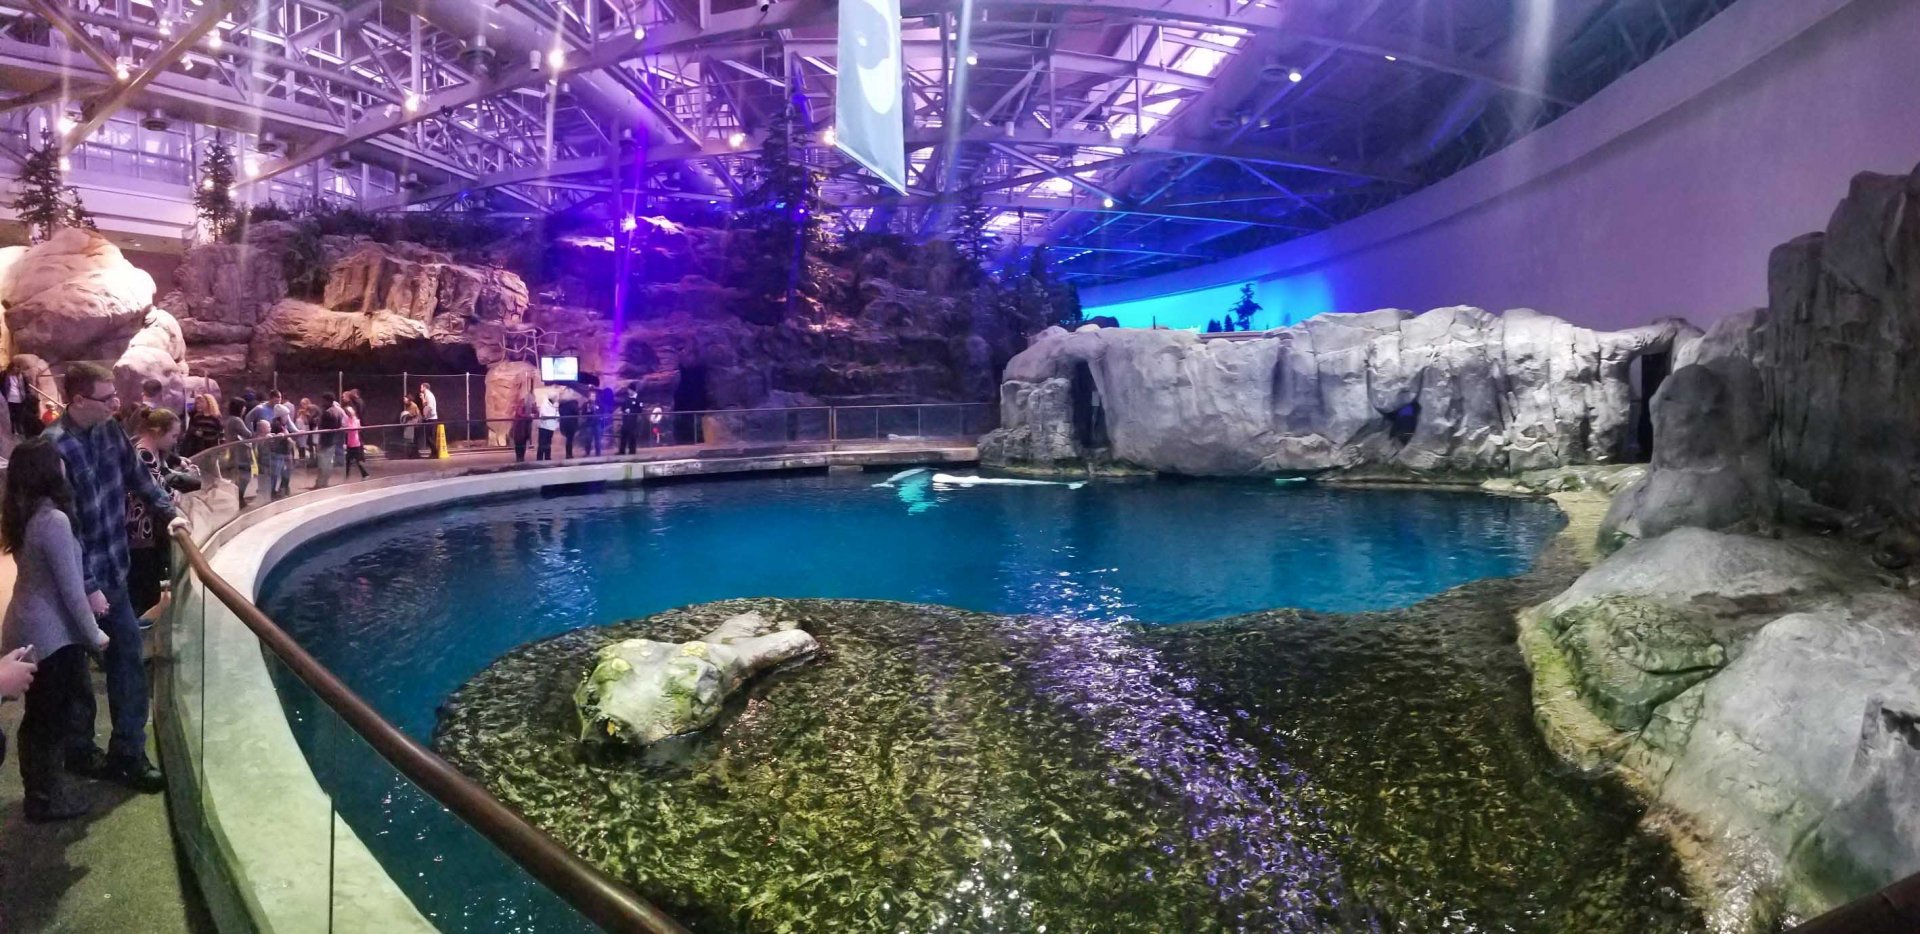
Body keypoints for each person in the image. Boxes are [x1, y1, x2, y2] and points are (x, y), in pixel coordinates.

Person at [42, 362, 180, 793]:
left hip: (114, 573)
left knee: (126, 664)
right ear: (78, 400)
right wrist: (87, 584)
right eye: (107, 398)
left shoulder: (110, 432)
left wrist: (170, 512)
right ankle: (80, 750)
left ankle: (128, 754)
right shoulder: (53, 450)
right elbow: (61, 528)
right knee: (72, 673)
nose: (117, 404)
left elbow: (138, 477)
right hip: (73, 583)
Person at [1, 437, 111, 821]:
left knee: (40, 717)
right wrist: (95, 635)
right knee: (51, 718)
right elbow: (71, 588)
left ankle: (41, 792)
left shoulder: (24, 513)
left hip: (23, 623)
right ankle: (46, 798)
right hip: (51, 635)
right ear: (50, 470)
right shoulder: (54, 520)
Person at [127, 409, 196, 616]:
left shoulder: (153, 452)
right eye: (173, 436)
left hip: (147, 533)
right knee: (145, 591)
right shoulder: (144, 454)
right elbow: (160, 490)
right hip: (141, 534)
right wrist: (172, 492)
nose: (175, 441)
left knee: (148, 588)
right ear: (157, 431)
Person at [225, 397, 254, 508]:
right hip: (240, 452)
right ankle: (240, 497)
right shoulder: (236, 420)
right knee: (245, 475)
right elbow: (248, 434)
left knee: (241, 475)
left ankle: (239, 498)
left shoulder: (230, 419)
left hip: (235, 451)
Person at [313, 393, 344, 489]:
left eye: (323, 400)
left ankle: (320, 483)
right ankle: (325, 482)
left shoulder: (327, 412)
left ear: (327, 400)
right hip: (333, 440)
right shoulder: (338, 411)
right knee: (329, 462)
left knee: (322, 463)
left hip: (325, 441)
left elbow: (323, 427)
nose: (322, 402)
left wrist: (318, 422)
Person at [181, 393, 224, 458]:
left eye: (202, 402)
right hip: (200, 448)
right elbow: (193, 430)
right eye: (197, 403)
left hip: (212, 447)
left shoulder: (215, 418)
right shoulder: (197, 417)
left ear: (209, 403)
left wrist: (221, 447)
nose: (199, 405)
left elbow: (221, 433)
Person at [261, 415, 294, 500]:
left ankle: (275, 491)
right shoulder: (276, 427)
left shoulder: (283, 426)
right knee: (273, 475)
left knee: (277, 475)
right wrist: (280, 438)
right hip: (276, 456)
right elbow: (272, 446)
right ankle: (271, 492)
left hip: (280, 455)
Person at [342, 398, 369, 479]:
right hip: (352, 442)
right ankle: (348, 475)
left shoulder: (354, 420)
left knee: (354, 460)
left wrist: (347, 429)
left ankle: (364, 474)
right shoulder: (352, 420)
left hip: (354, 443)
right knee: (351, 460)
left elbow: (352, 429)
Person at [4, 359, 30, 438]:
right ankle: (13, 429)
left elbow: (26, 386)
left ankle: (19, 429)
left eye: (17, 367)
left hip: (20, 398)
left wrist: (28, 395)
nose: (16, 369)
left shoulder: (22, 376)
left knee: (19, 415)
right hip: (10, 398)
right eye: (15, 367)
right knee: (12, 415)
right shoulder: (5, 375)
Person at [616, 383, 641, 455]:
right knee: (623, 436)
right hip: (626, 421)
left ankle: (632, 451)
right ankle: (622, 451)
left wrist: (632, 411)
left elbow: (639, 410)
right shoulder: (626, 399)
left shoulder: (637, 399)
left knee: (632, 437)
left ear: (633, 390)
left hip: (633, 422)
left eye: (629, 390)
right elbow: (623, 407)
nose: (628, 391)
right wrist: (624, 411)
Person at [509, 393, 533, 463]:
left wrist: (532, 415)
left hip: (526, 428)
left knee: (523, 444)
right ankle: (518, 458)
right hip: (519, 427)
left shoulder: (531, 406)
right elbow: (520, 414)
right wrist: (529, 416)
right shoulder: (521, 404)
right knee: (519, 443)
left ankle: (521, 458)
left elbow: (537, 412)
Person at [535, 390, 558, 461]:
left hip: (551, 427)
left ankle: (547, 457)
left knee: (548, 443)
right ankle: (539, 458)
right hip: (544, 427)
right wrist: (553, 416)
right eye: (556, 397)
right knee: (542, 443)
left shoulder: (554, 405)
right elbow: (544, 414)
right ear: (553, 397)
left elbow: (557, 413)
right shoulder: (544, 404)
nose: (557, 398)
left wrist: (556, 416)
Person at [558, 389, 581, 459]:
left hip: (563, 423)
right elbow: (576, 412)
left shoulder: (561, 404)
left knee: (568, 439)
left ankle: (568, 454)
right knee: (570, 439)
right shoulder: (573, 403)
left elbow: (560, 412)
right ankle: (569, 454)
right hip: (571, 423)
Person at [418, 382, 439, 457]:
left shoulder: (429, 395)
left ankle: (435, 452)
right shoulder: (426, 395)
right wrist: (423, 398)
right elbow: (425, 405)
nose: (420, 389)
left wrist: (425, 415)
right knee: (428, 437)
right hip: (429, 418)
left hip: (431, 418)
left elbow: (430, 407)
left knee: (428, 437)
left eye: (421, 387)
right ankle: (434, 453)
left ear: (425, 387)